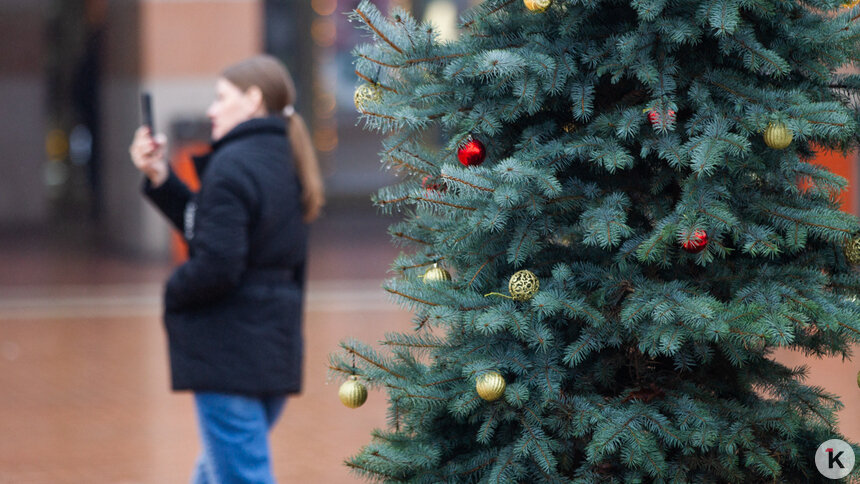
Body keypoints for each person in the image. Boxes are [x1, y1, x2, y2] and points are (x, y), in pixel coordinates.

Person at [129, 54, 324, 483]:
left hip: (230, 350)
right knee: (217, 470)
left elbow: (218, 261)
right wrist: (161, 178)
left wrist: (173, 292)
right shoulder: (284, 159)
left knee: (238, 475)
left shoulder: (232, 165)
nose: (212, 110)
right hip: (272, 348)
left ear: (253, 100)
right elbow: (217, 232)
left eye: (221, 98)